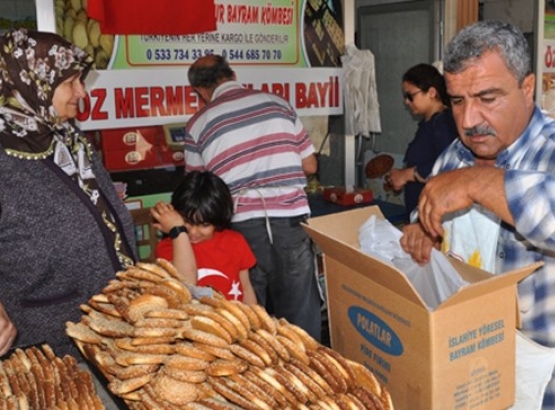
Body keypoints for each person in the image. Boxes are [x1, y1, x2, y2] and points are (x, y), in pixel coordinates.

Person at [399, 21, 555, 409]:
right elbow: (438, 218)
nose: (469, 120)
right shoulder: (454, 155)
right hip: (467, 366)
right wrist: (424, 228)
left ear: (527, 89)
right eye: (457, 101)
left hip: (546, 384)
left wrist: (482, 183)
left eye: (487, 97)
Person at [0, 29, 137, 358]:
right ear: (31, 81)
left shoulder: (69, 138)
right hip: (51, 344)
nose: (81, 92)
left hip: (115, 327)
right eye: (69, 81)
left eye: (81, 79)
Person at [185, 55, 322, 340]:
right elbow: (310, 166)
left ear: (199, 91)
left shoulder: (198, 123)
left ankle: (260, 377)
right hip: (291, 221)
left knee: (249, 317)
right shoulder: (279, 104)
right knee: (300, 314)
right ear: (232, 74)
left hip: (242, 226)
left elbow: (199, 189)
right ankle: (309, 377)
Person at [152, 171, 257, 303]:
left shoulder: (236, 241)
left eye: (204, 224)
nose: (193, 232)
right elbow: (187, 282)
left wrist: (255, 320)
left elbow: (246, 288)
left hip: (233, 320)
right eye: (187, 222)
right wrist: (177, 231)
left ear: (218, 220)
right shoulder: (169, 247)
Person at [387, 63, 459, 216]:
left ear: (431, 92)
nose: (406, 101)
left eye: (410, 96)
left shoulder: (443, 124)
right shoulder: (427, 124)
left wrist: (406, 175)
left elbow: (448, 167)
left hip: (436, 215)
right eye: (405, 97)